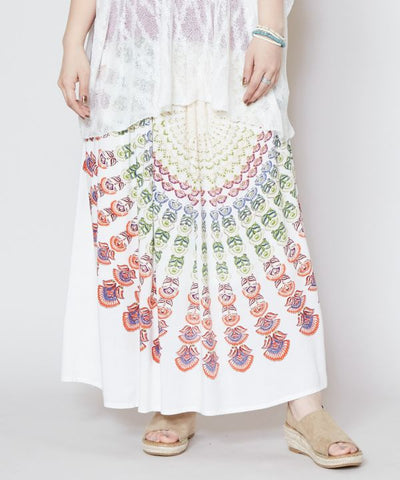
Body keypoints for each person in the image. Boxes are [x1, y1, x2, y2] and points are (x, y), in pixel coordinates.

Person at [58, 0, 363, 468]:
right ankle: (175, 396)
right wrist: (72, 41)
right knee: (161, 226)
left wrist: (270, 28)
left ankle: (305, 404)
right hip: (137, 33)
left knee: (263, 219)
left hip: (227, 24)